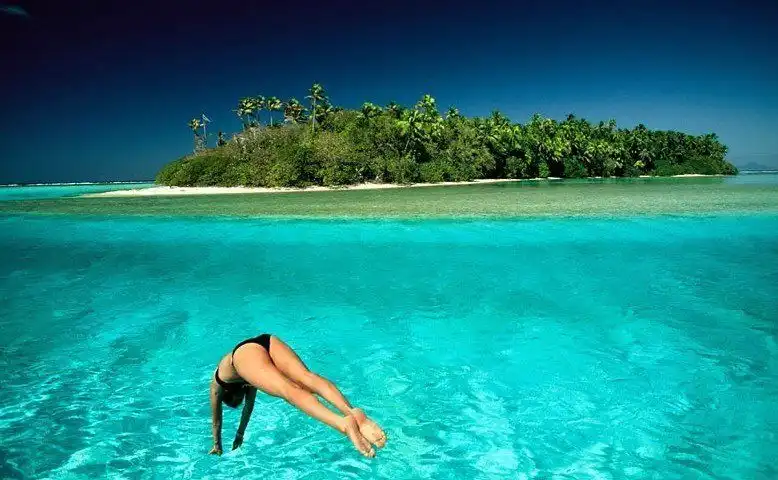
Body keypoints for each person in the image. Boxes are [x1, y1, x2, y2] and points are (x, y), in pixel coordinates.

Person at [209, 334, 386, 458]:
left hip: (244, 355)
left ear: (229, 394)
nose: (242, 399)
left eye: (237, 400)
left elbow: (216, 420)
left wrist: (217, 445)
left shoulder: (217, 385)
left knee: (289, 390)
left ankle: (343, 423)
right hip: (265, 341)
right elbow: (248, 408)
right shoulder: (247, 381)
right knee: (306, 378)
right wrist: (239, 434)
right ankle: (351, 411)